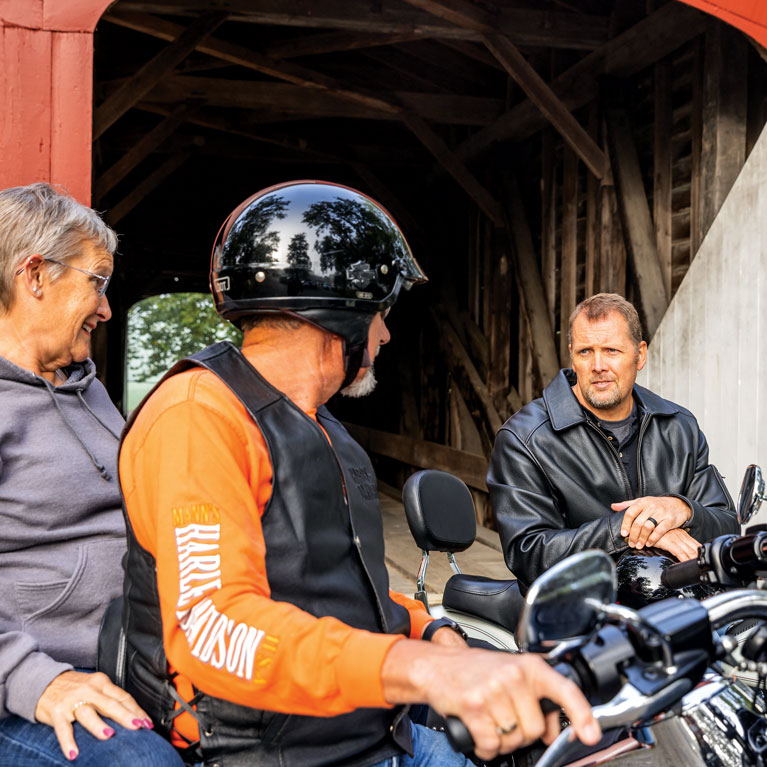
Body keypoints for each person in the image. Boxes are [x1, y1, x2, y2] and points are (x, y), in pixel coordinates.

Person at [117, 181, 600, 767]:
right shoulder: (199, 416)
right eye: (381, 313)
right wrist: (422, 670)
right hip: (267, 752)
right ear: (339, 312)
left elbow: (335, 586)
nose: (387, 333)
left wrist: (427, 631)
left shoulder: (326, 430)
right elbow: (213, 631)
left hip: (374, 733)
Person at [0, 183, 183, 766]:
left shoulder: (88, 389)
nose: (106, 309)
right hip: (39, 684)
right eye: (96, 282)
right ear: (35, 276)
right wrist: (33, 680)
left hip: (141, 656)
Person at [488, 292, 738, 592]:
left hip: (678, 607)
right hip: (576, 615)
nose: (598, 365)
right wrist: (627, 529)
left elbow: (726, 526)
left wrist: (683, 510)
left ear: (640, 355)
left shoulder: (679, 426)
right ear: (572, 355)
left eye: (611, 350)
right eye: (585, 352)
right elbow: (528, 554)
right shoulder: (525, 439)